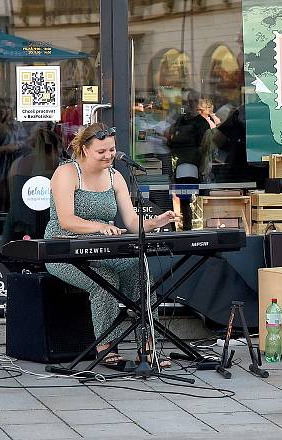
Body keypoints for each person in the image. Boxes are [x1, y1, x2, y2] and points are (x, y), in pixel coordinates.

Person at [44, 122, 177, 369]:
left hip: (102, 247)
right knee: (105, 281)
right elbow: (66, 220)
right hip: (63, 249)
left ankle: (148, 346)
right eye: (101, 151)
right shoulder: (67, 173)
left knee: (140, 274)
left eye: (112, 150)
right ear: (84, 149)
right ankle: (105, 346)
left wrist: (157, 221)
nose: (109, 156)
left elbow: (131, 223)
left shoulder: (115, 177)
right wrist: (99, 226)